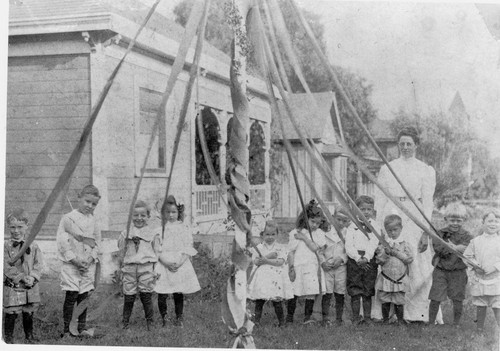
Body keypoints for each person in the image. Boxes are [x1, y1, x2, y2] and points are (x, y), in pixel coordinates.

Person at [374, 126, 439, 323]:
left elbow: (427, 202)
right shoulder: (388, 168)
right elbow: (380, 198)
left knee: (416, 261)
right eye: (401, 143)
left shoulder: (425, 170)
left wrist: (426, 231)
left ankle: (416, 312)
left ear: (416, 145)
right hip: (392, 213)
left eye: (409, 143)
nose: (405, 147)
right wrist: (379, 227)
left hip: (415, 217)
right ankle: (386, 312)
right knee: (389, 258)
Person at [57, 185, 101, 337]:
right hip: (72, 265)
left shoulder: (94, 221)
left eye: (94, 204)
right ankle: (67, 330)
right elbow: (63, 243)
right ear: (79, 198)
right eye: (87, 201)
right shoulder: (68, 218)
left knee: (83, 297)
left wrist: (90, 259)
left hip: (88, 265)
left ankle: (81, 328)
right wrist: (75, 261)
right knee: (71, 296)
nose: (90, 206)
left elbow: (97, 242)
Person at [155, 195, 201, 327]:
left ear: (179, 212)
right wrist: (165, 262)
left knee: (178, 291)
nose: (170, 215)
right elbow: (157, 249)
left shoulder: (184, 228)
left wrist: (180, 262)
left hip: (179, 263)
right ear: (163, 213)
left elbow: (188, 247)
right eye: (167, 212)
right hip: (164, 262)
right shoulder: (160, 229)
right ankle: (164, 318)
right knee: (162, 292)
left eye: (174, 212)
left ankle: (179, 317)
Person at [118, 200, 161, 330]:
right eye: (135, 215)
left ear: (148, 217)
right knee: (129, 296)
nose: (139, 218)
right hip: (130, 268)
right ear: (131, 216)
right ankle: (125, 323)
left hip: (146, 267)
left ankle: (150, 323)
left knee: (146, 295)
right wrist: (120, 267)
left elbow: (157, 252)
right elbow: (121, 251)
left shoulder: (153, 233)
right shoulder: (125, 233)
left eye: (143, 215)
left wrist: (156, 269)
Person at [428, 202, 472, 326]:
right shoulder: (440, 233)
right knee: (435, 297)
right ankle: (431, 323)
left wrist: (457, 247)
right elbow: (438, 249)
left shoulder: (467, 235)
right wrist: (452, 248)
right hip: (441, 270)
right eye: (452, 220)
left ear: (464, 220)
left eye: (458, 220)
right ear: (446, 219)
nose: (455, 223)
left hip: (458, 271)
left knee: (458, 298)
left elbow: (470, 249)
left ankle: (456, 324)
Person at [3, 209, 43, 344]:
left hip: (30, 286)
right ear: (8, 227)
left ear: (27, 226)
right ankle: (8, 340)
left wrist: (32, 277)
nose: (16, 231)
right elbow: (6, 266)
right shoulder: (5, 247)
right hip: (14, 286)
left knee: (29, 311)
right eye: (12, 227)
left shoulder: (34, 246)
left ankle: (29, 337)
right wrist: (20, 276)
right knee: (11, 312)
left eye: (20, 227)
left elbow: (38, 264)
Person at [286, 199, 327, 325]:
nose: (315, 225)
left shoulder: (319, 233)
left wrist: (304, 237)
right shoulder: (295, 232)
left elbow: (315, 248)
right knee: (294, 292)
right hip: (298, 266)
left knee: (310, 292)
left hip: (311, 267)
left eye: (318, 223)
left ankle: (307, 317)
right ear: (305, 218)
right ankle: (289, 318)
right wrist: (291, 267)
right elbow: (291, 251)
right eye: (312, 221)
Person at [247, 220, 293, 327]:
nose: (270, 237)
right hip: (262, 277)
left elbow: (280, 261)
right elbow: (256, 261)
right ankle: (257, 321)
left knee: (277, 301)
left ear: (277, 234)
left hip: (275, 278)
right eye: (267, 234)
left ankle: (281, 323)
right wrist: (265, 258)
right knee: (259, 300)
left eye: (273, 234)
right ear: (262, 235)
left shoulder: (280, 247)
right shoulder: (259, 248)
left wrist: (266, 260)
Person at [345, 195, 380, 325]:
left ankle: (367, 317)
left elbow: (374, 244)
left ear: (372, 210)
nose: (366, 212)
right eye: (362, 209)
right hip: (355, 261)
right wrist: (358, 258)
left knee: (367, 290)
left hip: (369, 260)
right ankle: (355, 318)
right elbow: (349, 245)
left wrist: (367, 257)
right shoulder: (352, 226)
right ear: (356, 209)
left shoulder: (375, 225)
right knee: (355, 289)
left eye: (369, 209)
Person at [464, 208, 500, 333]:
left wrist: (495, 267)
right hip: (481, 278)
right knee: (481, 303)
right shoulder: (476, 241)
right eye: (490, 221)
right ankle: (479, 329)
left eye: (496, 221)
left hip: (496, 278)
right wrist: (476, 266)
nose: (493, 224)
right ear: (483, 223)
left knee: (497, 303)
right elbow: (467, 256)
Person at [375, 214, 413, 325]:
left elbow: (409, 259)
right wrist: (385, 254)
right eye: (389, 230)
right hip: (386, 277)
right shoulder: (383, 244)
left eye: (395, 230)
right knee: (385, 299)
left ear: (401, 228)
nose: (392, 233)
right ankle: (386, 320)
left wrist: (396, 252)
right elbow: (379, 261)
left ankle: (400, 321)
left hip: (399, 277)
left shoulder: (405, 244)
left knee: (399, 300)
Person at [321, 207, 350, 326]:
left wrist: (342, 259)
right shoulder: (325, 232)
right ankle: (325, 318)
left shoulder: (348, 233)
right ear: (333, 218)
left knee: (340, 291)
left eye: (344, 221)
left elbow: (349, 250)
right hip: (327, 267)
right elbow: (320, 250)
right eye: (338, 219)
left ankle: (339, 318)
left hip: (340, 267)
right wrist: (323, 262)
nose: (341, 223)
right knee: (327, 292)